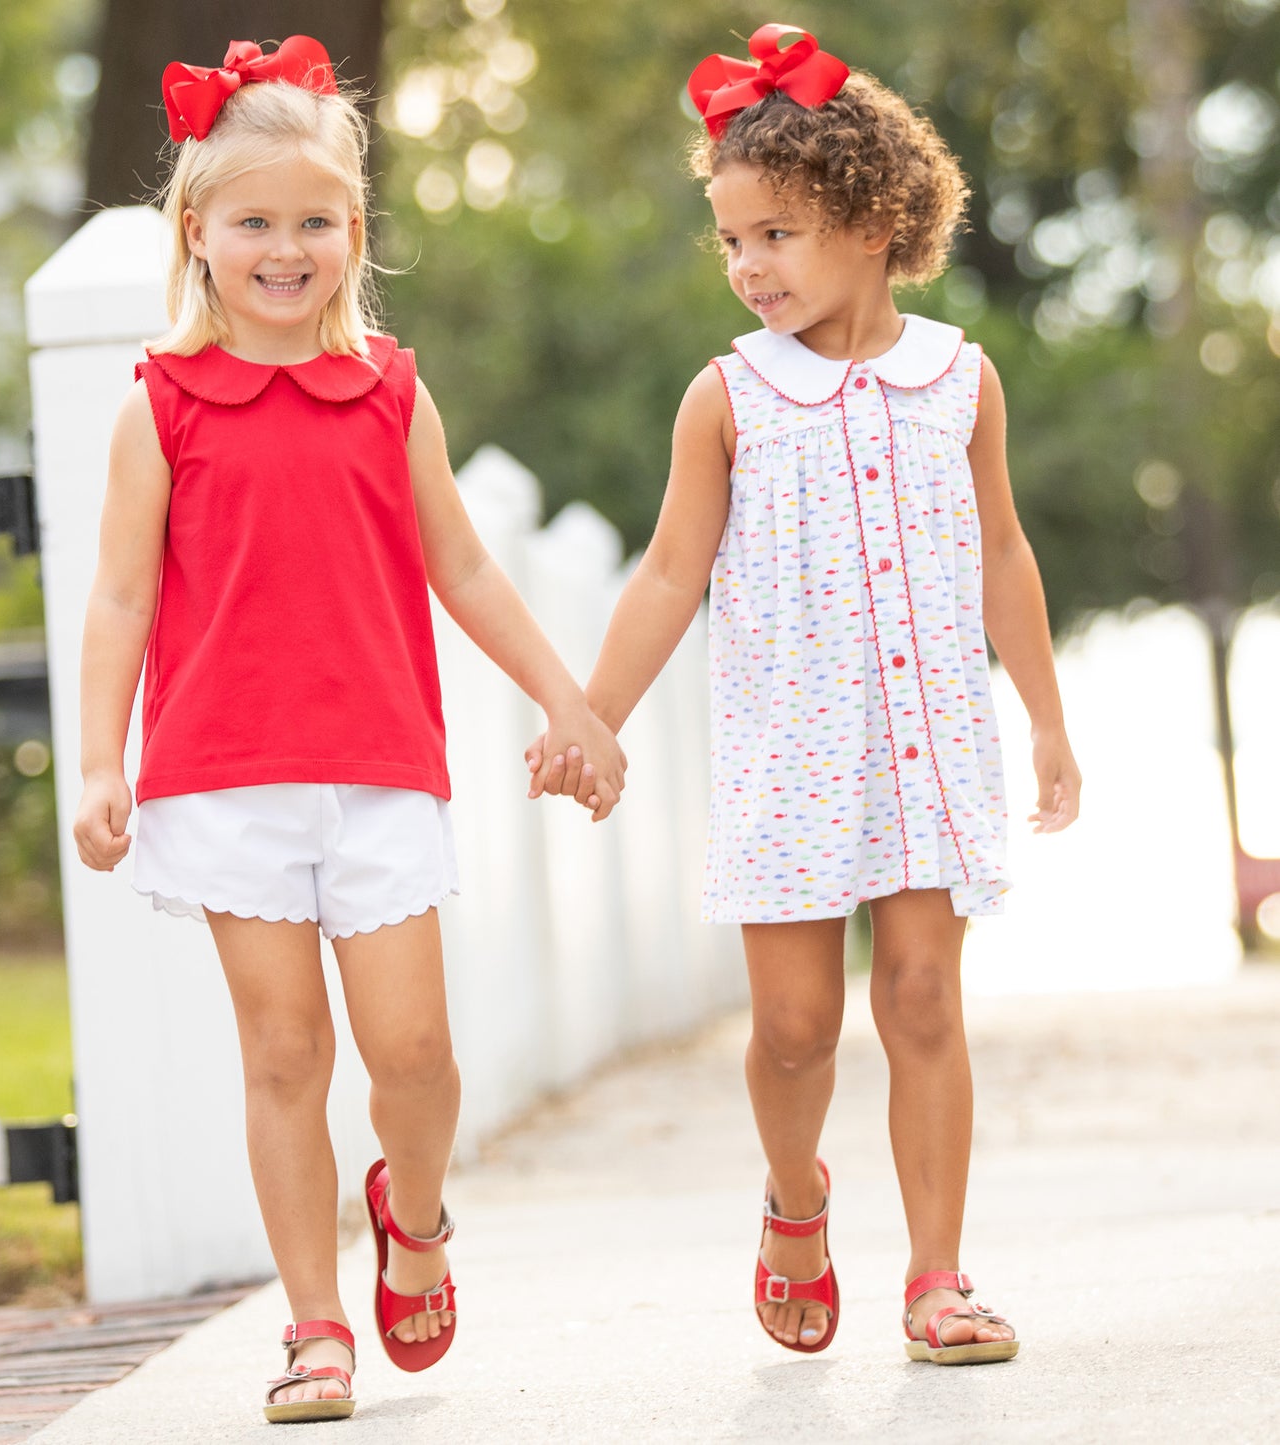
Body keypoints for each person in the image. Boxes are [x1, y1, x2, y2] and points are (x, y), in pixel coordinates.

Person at [71, 36, 625, 1423]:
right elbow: (121, 595)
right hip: (218, 778)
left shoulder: (390, 391)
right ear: (196, 232)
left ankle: (415, 1216)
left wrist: (569, 699)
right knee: (281, 1053)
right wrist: (97, 760)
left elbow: (469, 568)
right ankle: (315, 1324)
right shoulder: (161, 403)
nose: (283, 246)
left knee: (415, 1057)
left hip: (379, 772)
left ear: (352, 232)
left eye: (312, 220)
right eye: (252, 220)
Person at [530, 23, 1079, 1365]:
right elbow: (666, 575)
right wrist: (589, 711)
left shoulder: (958, 377)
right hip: (790, 752)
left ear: (871, 218)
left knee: (922, 1001)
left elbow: (1001, 550)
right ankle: (794, 1198)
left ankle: (937, 1278)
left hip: (926, 743)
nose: (747, 265)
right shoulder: (727, 396)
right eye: (730, 240)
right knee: (791, 1028)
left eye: (773, 233)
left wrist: (1045, 719)